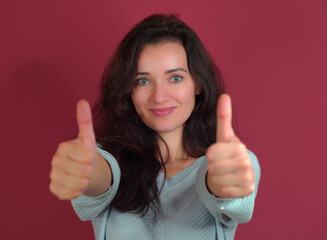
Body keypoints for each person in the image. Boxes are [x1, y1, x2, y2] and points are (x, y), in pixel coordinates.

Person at [49, 14, 261, 240]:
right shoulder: (110, 163)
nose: (159, 96)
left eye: (175, 78)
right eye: (143, 81)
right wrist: (86, 170)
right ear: (128, 90)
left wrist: (228, 187)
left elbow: (228, 195)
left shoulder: (226, 164)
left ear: (197, 83)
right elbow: (100, 175)